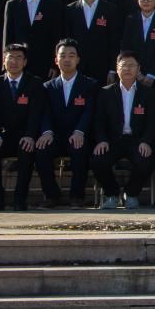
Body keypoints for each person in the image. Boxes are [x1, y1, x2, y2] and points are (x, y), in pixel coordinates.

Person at [34, 39, 97, 208]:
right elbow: (44, 113)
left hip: (78, 134)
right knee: (41, 149)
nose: (67, 59)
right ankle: (51, 195)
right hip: (55, 135)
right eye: (63, 56)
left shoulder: (89, 84)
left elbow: (89, 111)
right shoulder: (47, 87)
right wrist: (47, 132)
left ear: (78, 59)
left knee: (80, 148)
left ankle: (77, 196)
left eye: (71, 55)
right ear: (56, 60)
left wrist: (80, 131)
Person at [90, 51, 155, 209]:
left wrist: (146, 141)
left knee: (146, 160)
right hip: (113, 140)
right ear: (117, 68)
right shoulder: (105, 92)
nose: (127, 69)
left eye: (131, 65)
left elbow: (153, 122)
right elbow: (99, 120)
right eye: (123, 65)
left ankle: (131, 193)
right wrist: (102, 140)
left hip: (137, 140)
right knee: (98, 160)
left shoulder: (148, 93)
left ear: (138, 69)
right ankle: (112, 193)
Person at [0, 43, 43, 211]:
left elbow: (35, 113)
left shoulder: (35, 83)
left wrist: (30, 135)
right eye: (10, 57)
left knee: (26, 149)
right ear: (4, 60)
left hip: (25, 134)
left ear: (25, 62)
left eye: (19, 58)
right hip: (4, 134)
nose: (14, 62)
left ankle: (20, 199)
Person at [3, 0, 65, 80]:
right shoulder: (12, 5)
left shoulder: (54, 5)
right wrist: (6, 62)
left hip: (45, 62)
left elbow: (57, 35)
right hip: (19, 62)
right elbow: (8, 36)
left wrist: (54, 65)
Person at [64, 0, 121, 84]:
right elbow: (66, 40)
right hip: (76, 67)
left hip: (102, 67)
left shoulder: (111, 10)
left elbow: (114, 41)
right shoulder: (70, 10)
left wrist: (112, 69)